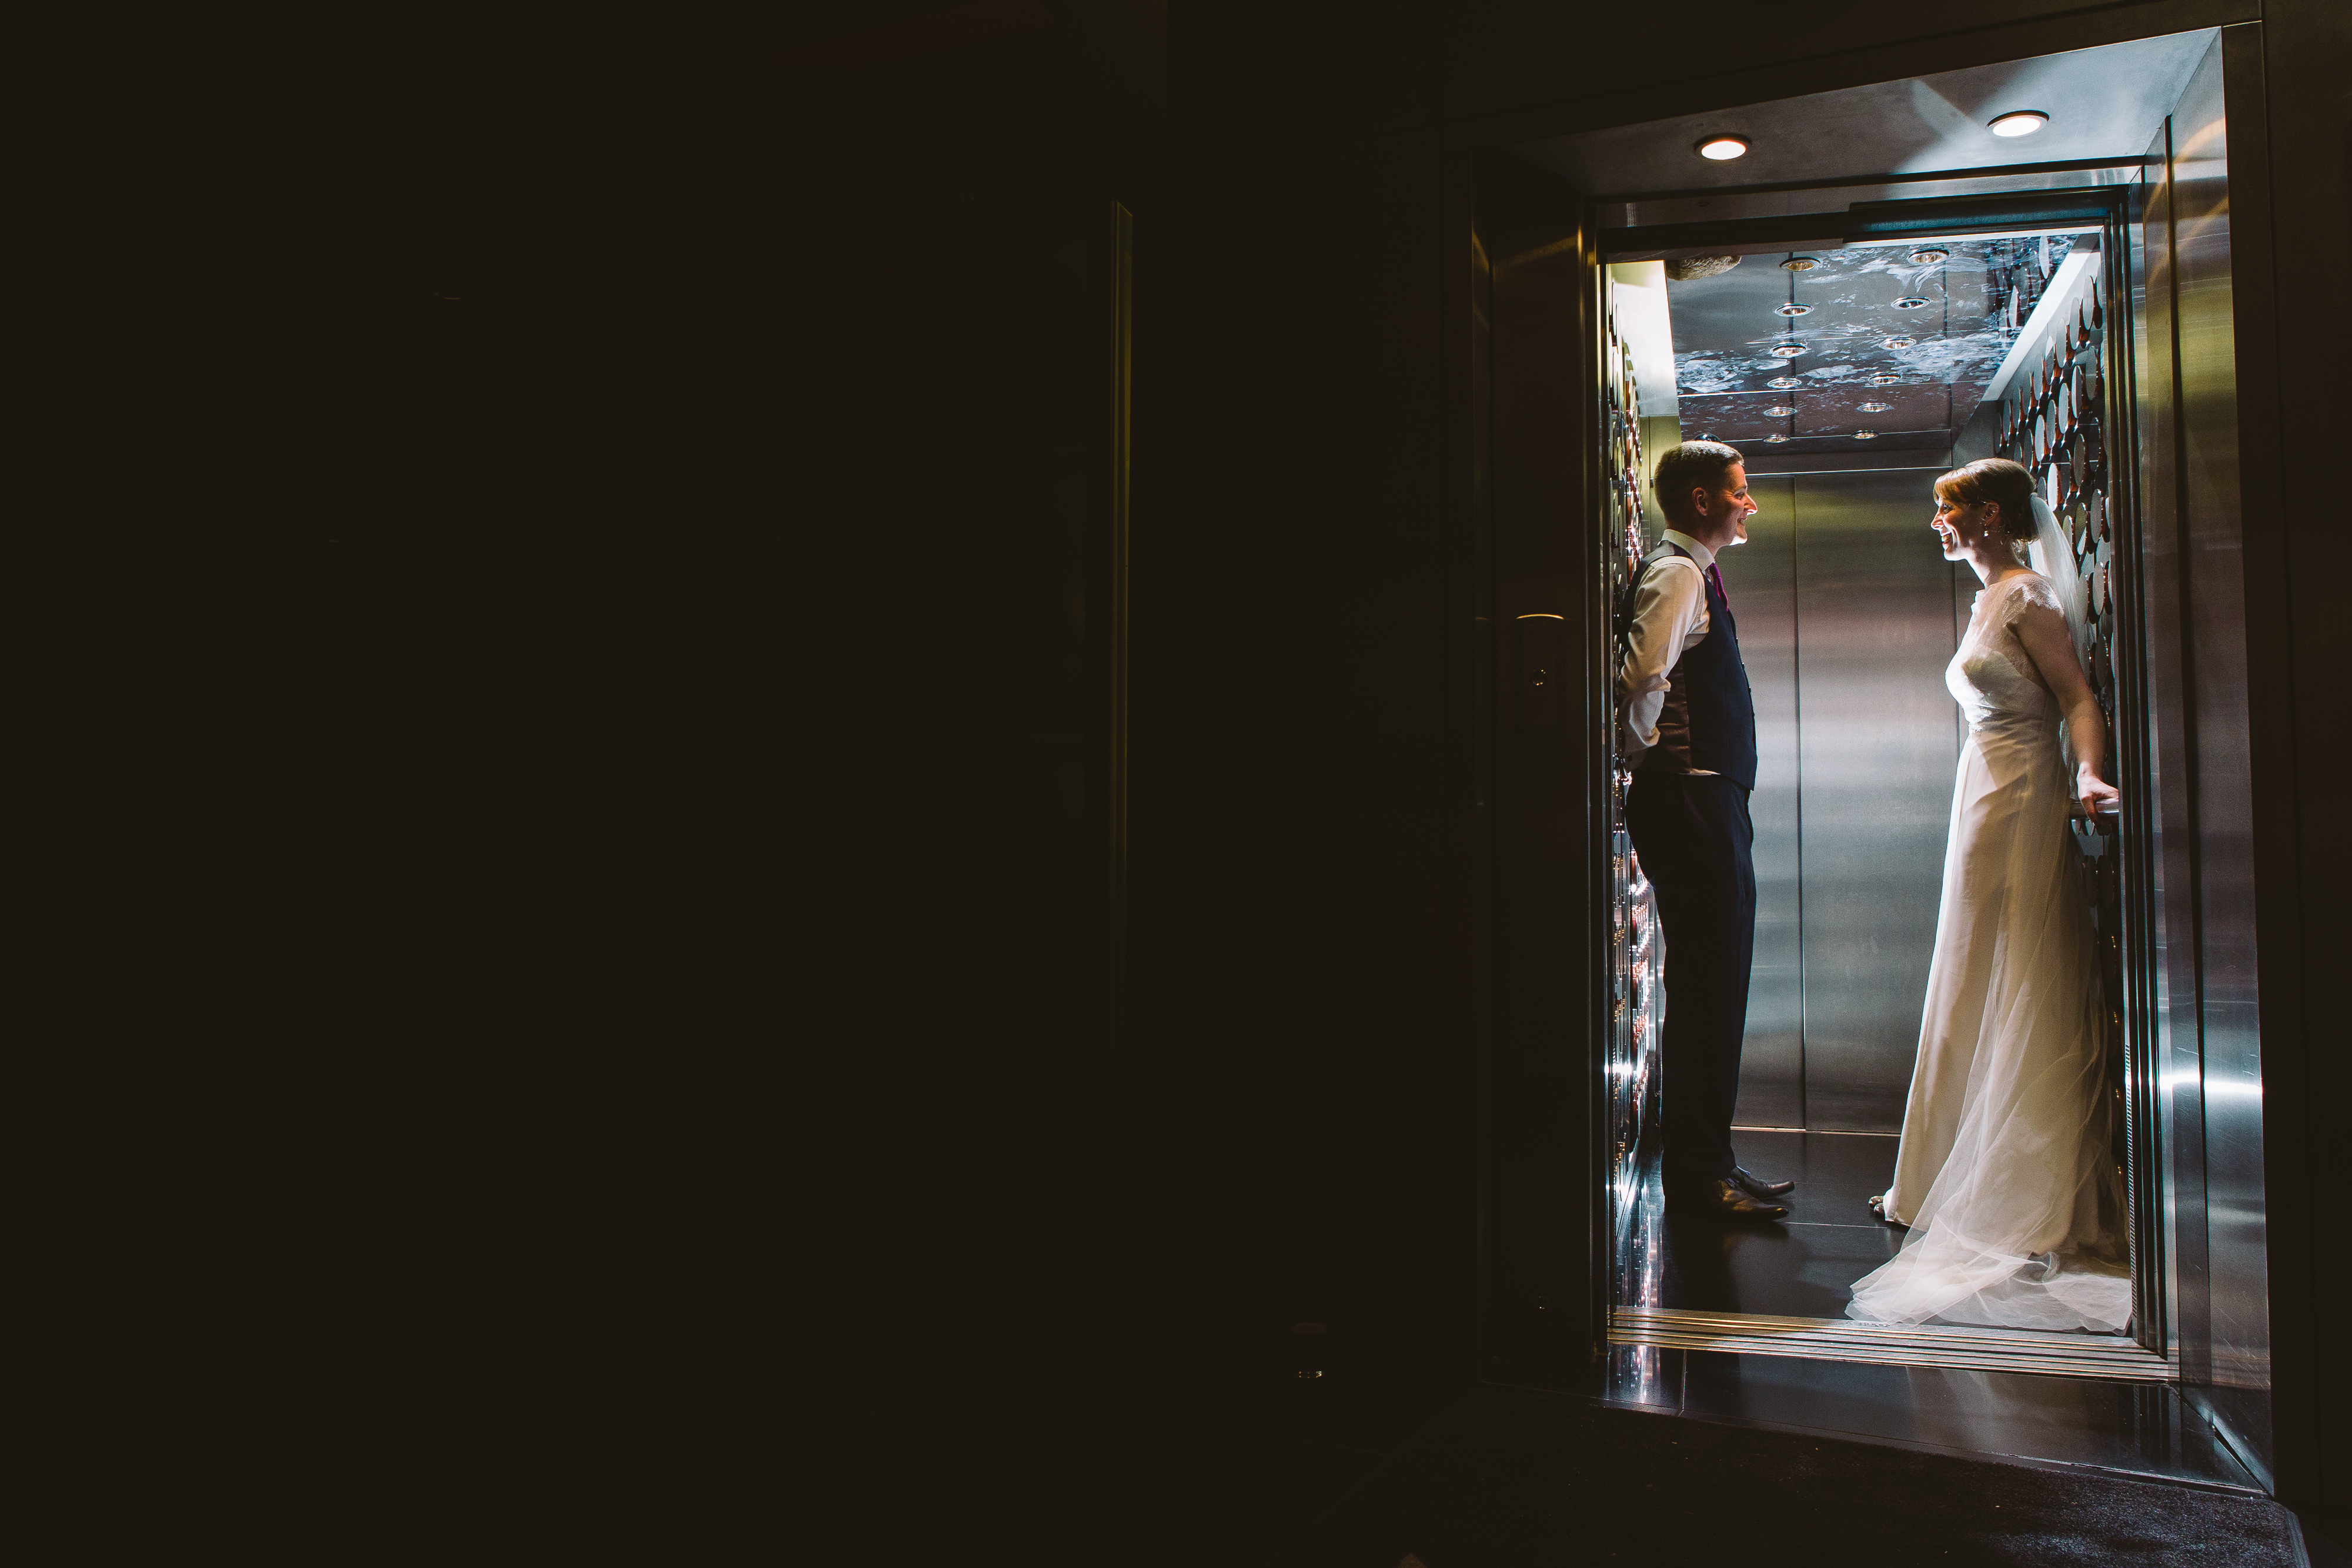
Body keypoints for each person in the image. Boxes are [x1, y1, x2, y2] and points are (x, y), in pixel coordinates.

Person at [1847, 457, 2130, 1332]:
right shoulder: (1987, 598)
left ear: (1993, 514)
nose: (1939, 521)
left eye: (1951, 508)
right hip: (1983, 792)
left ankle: (2018, 1186)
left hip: (2020, 795)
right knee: (1972, 971)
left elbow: (2077, 698)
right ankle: (1942, 1174)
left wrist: (2089, 774)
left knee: (2019, 969)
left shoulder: (2025, 598)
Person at [1618, 442, 1792, 1221]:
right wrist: (1648, 758)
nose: (1749, 504)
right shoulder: (1678, 574)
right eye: (1740, 491)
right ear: (1701, 499)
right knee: (1708, 985)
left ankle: (1709, 1159)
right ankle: (1697, 1174)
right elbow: (1641, 677)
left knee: (1716, 983)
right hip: (1690, 796)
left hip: (1703, 795)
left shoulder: (1693, 573)